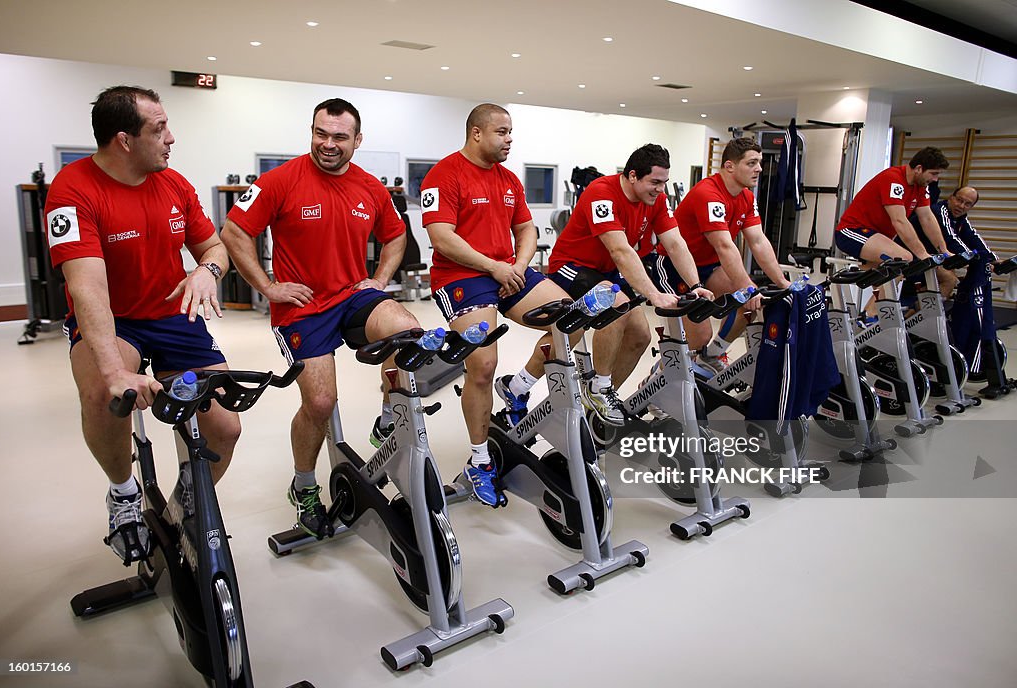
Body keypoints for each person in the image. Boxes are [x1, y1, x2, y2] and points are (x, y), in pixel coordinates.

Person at [45, 86, 240, 563]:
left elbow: (215, 249)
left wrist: (205, 270)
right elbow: (87, 288)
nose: (171, 138)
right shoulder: (72, 190)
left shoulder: (173, 184)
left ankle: (187, 504)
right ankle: (124, 491)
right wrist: (114, 374)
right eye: (159, 129)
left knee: (225, 427)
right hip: (116, 320)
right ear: (124, 141)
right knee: (103, 395)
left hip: (173, 316)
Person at [221, 98, 419, 538]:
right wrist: (269, 287)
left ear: (357, 140)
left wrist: (380, 278)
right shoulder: (280, 181)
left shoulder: (370, 187)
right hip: (302, 307)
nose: (327, 144)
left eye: (339, 137)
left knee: (408, 333)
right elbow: (234, 231)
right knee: (320, 404)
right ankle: (305, 486)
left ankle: (389, 416)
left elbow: (395, 235)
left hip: (352, 295)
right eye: (320, 134)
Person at [421, 103, 580, 506]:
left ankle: (519, 386)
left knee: (572, 319)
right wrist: (494, 267)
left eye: (511, 133)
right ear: (477, 133)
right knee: (482, 365)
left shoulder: (509, 179)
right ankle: (479, 461)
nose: (510, 139)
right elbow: (442, 238)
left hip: (509, 270)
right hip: (462, 276)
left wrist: (519, 266)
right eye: (502, 132)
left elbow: (525, 227)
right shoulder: (445, 174)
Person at [546, 143, 711, 425]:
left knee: (640, 336)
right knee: (618, 305)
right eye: (655, 182)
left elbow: (675, 243)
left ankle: (602, 393)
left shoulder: (656, 201)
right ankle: (599, 388)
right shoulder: (601, 193)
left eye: (664, 183)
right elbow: (621, 251)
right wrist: (654, 295)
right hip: (571, 266)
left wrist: (694, 285)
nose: (660, 189)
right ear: (632, 175)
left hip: (605, 272)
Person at [645, 137, 791, 371]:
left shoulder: (746, 197)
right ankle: (659, 376)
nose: (759, 169)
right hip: (675, 267)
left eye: (760, 163)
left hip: (709, 267)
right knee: (700, 334)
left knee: (746, 306)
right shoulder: (709, 193)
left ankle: (711, 355)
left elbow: (758, 241)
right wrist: (748, 287)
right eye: (752, 163)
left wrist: (783, 284)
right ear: (729, 166)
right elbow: (724, 245)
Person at [835, 146, 951, 266]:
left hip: (877, 237)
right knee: (902, 259)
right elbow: (899, 221)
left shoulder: (921, 186)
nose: (936, 179)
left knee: (901, 270)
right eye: (933, 174)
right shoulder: (893, 179)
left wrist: (944, 251)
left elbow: (927, 218)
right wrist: (922, 254)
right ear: (919, 168)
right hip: (852, 231)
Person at [908, 185, 986, 300]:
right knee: (950, 279)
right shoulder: (939, 211)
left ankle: (916, 313)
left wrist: (990, 258)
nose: (961, 206)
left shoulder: (961, 218)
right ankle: (927, 315)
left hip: (929, 257)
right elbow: (951, 239)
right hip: (911, 256)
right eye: (959, 200)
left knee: (951, 273)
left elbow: (974, 238)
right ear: (951, 198)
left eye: (967, 204)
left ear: (971, 207)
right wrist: (973, 259)